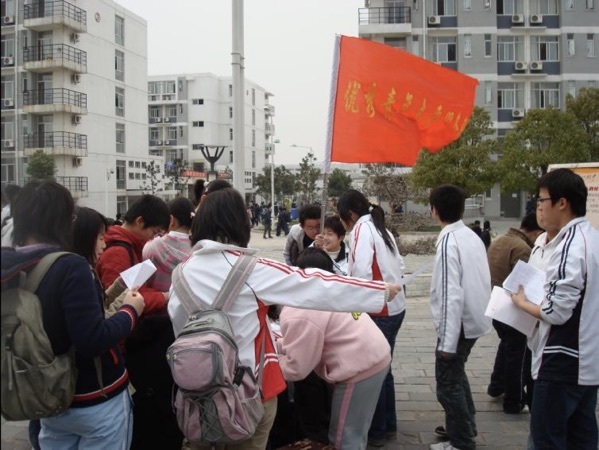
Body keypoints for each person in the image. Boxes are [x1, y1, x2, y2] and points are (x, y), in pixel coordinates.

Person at [167, 187, 403, 450]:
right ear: (240, 224)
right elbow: (313, 284)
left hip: (194, 400)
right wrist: (379, 291)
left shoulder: (179, 276)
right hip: (246, 397)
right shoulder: (251, 269)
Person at [0, 181, 144, 450]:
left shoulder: (11, 266)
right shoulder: (70, 266)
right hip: (94, 397)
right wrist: (130, 311)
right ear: (62, 219)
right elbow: (92, 339)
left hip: (47, 396)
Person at [510, 169, 599, 450]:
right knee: (582, 438)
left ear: (562, 203)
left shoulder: (571, 246)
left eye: (541, 200)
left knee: (546, 440)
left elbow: (556, 311)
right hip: (584, 360)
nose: (538, 207)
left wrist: (521, 303)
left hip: (562, 360)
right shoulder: (587, 238)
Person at [277, 248, 391, 449]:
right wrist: (279, 346)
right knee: (356, 428)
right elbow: (308, 339)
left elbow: (297, 369)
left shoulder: (298, 311)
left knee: (343, 436)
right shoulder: (322, 290)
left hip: (360, 367)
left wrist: (271, 361)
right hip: (373, 353)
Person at [95, 194, 173, 450]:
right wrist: (163, 297)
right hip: (123, 345)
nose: (154, 238)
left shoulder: (130, 246)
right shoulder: (117, 250)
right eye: (154, 231)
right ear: (139, 221)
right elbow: (117, 301)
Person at [336, 189, 406, 448]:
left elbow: (361, 274)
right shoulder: (380, 228)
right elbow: (400, 266)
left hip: (379, 310)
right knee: (385, 370)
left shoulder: (362, 231)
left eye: (342, 219)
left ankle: (376, 431)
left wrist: (354, 310)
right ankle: (388, 426)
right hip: (394, 307)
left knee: (373, 372)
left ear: (350, 215)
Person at [428, 184, 492, 450]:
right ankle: (466, 429)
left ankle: (461, 442)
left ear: (435, 210)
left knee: (447, 386)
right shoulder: (469, 235)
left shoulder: (449, 241)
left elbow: (449, 293)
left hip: (459, 325)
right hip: (475, 319)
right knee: (457, 377)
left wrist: (446, 342)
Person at [486, 213, 543, 414]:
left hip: (496, 306)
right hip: (513, 309)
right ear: (537, 232)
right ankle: (514, 401)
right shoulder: (523, 249)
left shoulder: (500, 239)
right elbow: (525, 285)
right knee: (517, 358)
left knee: (507, 348)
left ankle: (496, 385)